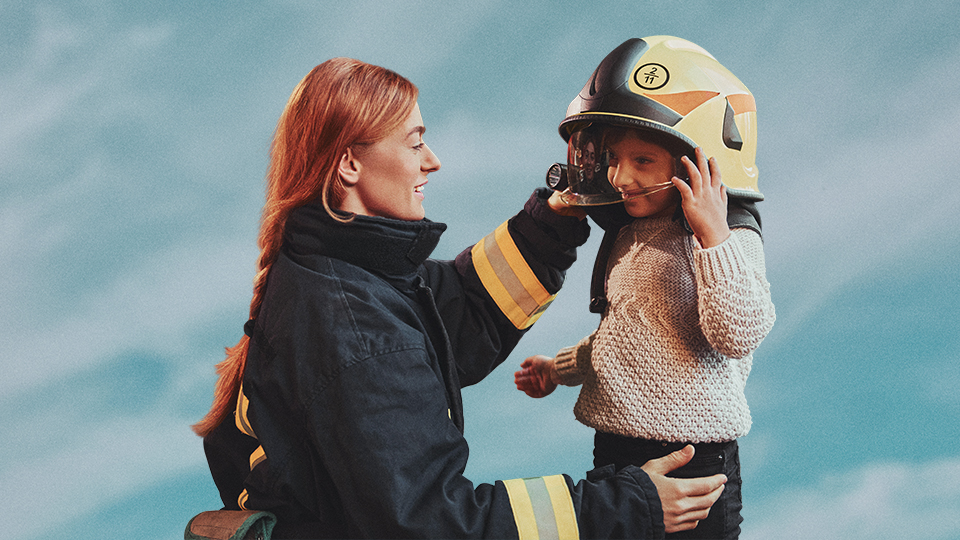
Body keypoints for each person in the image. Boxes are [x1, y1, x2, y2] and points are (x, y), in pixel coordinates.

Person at [190, 56, 728, 539]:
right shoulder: (354, 329)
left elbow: (458, 312)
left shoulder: (341, 277)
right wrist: (624, 507)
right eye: (415, 141)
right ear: (350, 164)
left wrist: (551, 225)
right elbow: (436, 522)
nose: (433, 161)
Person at [515, 37, 776, 540]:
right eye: (613, 157)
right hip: (615, 452)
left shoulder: (730, 237)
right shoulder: (631, 235)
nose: (619, 177)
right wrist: (557, 368)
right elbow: (628, 338)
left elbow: (738, 333)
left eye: (643, 161)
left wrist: (712, 235)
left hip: (691, 461)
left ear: (697, 163)